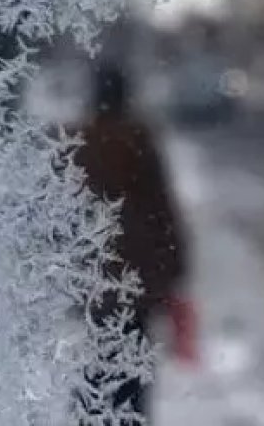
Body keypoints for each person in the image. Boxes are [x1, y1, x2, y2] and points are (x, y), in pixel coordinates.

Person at [67, 60, 192, 424]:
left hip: (94, 278)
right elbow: (161, 210)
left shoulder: (79, 144)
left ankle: (92, 415)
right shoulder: (139, 142)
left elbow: (61, 214)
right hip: (137, 279)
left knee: (100, 360)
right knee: (133, 369)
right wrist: (176, 267)